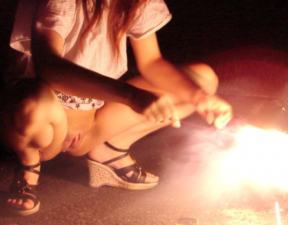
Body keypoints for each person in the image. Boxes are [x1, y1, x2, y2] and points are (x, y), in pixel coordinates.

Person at [3, 0, 233, 216]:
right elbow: (49, 66)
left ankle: (110, 149)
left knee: (201, 80)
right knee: (33, 101)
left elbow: (151, 62)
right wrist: (131, 96)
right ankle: (28, 169)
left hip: (91, 125)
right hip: (46, 124)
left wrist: (199, 97)